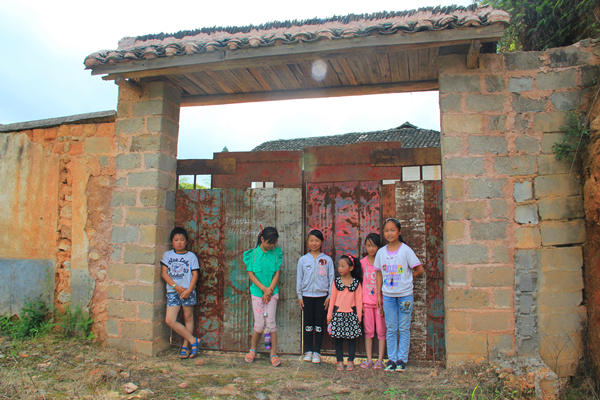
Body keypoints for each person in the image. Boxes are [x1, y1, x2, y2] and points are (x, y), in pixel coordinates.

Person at [375, 218, 425, 372]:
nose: (389, 233)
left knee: (403, 327)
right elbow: (378, 273)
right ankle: (392, 360)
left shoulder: (406, 250)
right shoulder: (381, 252)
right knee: (391, 327)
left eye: (393, 230)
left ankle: (402, 360)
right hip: (388, 296)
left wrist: (408, 278)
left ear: (399, 232)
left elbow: (420, 270)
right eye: (386, 231)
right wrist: (378, 295)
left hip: (405, 296)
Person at [243, 226, 282, 367]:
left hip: (272, 294)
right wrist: (263, 289)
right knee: (259, 324)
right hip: (257, 294)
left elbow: (277, 273)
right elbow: (251, 275)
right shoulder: (252, 255)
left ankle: (273, 353)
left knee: (271, 323)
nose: (271, 246)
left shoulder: (276, 254)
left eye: (273, 243)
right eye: (269, 242)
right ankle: (253, 350)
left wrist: (269, 290)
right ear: (262, 239)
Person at [161, 227, 201, 359]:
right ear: (172, 242)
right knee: (170, 320)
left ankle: (185, 346)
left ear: (186, 241)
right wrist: (175, 287)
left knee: (188, 318)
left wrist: (189, 290)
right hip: (173, 292)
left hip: (188, 291)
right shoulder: (167, 255)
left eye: (182, 240)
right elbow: (164, 274)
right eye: (176, 240)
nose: (179, 242)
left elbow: (195, 275)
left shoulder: (191, 256)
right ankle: (193, 340)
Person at [296, 228, 335, 364]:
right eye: (311, 240)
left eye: (317, 241)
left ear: (322, 242)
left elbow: (331, 278)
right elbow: (299, 278)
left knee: (319, 324)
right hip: (306, 296)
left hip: (322, 297)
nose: (314, 243)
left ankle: (317, 352)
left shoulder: (327, 260)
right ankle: (308, 351)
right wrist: (300, 296)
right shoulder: (303, 260)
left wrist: (329, 296)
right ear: (307, 242)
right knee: (308, 325)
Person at [327, 255, 363, 371]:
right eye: (339, 266)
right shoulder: (336, 282)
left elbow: (359, 301)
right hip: (338, 314)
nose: (340, 269)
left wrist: (359, 317)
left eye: (343, 266)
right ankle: (339, 360)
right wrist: (329, 315)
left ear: (351, 268)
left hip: (351, 315)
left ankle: (351, 360)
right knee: (338, 339)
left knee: (352, 339)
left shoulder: (356, 283)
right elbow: (332, 300)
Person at [360, 233, 386, 369]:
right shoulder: (362, 263)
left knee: (381, 331)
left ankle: (380, 360)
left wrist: (383, 301)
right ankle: (369, 359)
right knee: (368, 332)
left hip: (380, 303)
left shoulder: (382, 263)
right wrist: (360, 303)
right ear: (365, 246)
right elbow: (359, 284)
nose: (371, 249)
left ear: (379, 248)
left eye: (374, 246)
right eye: (369, 246)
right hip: (366, 303)